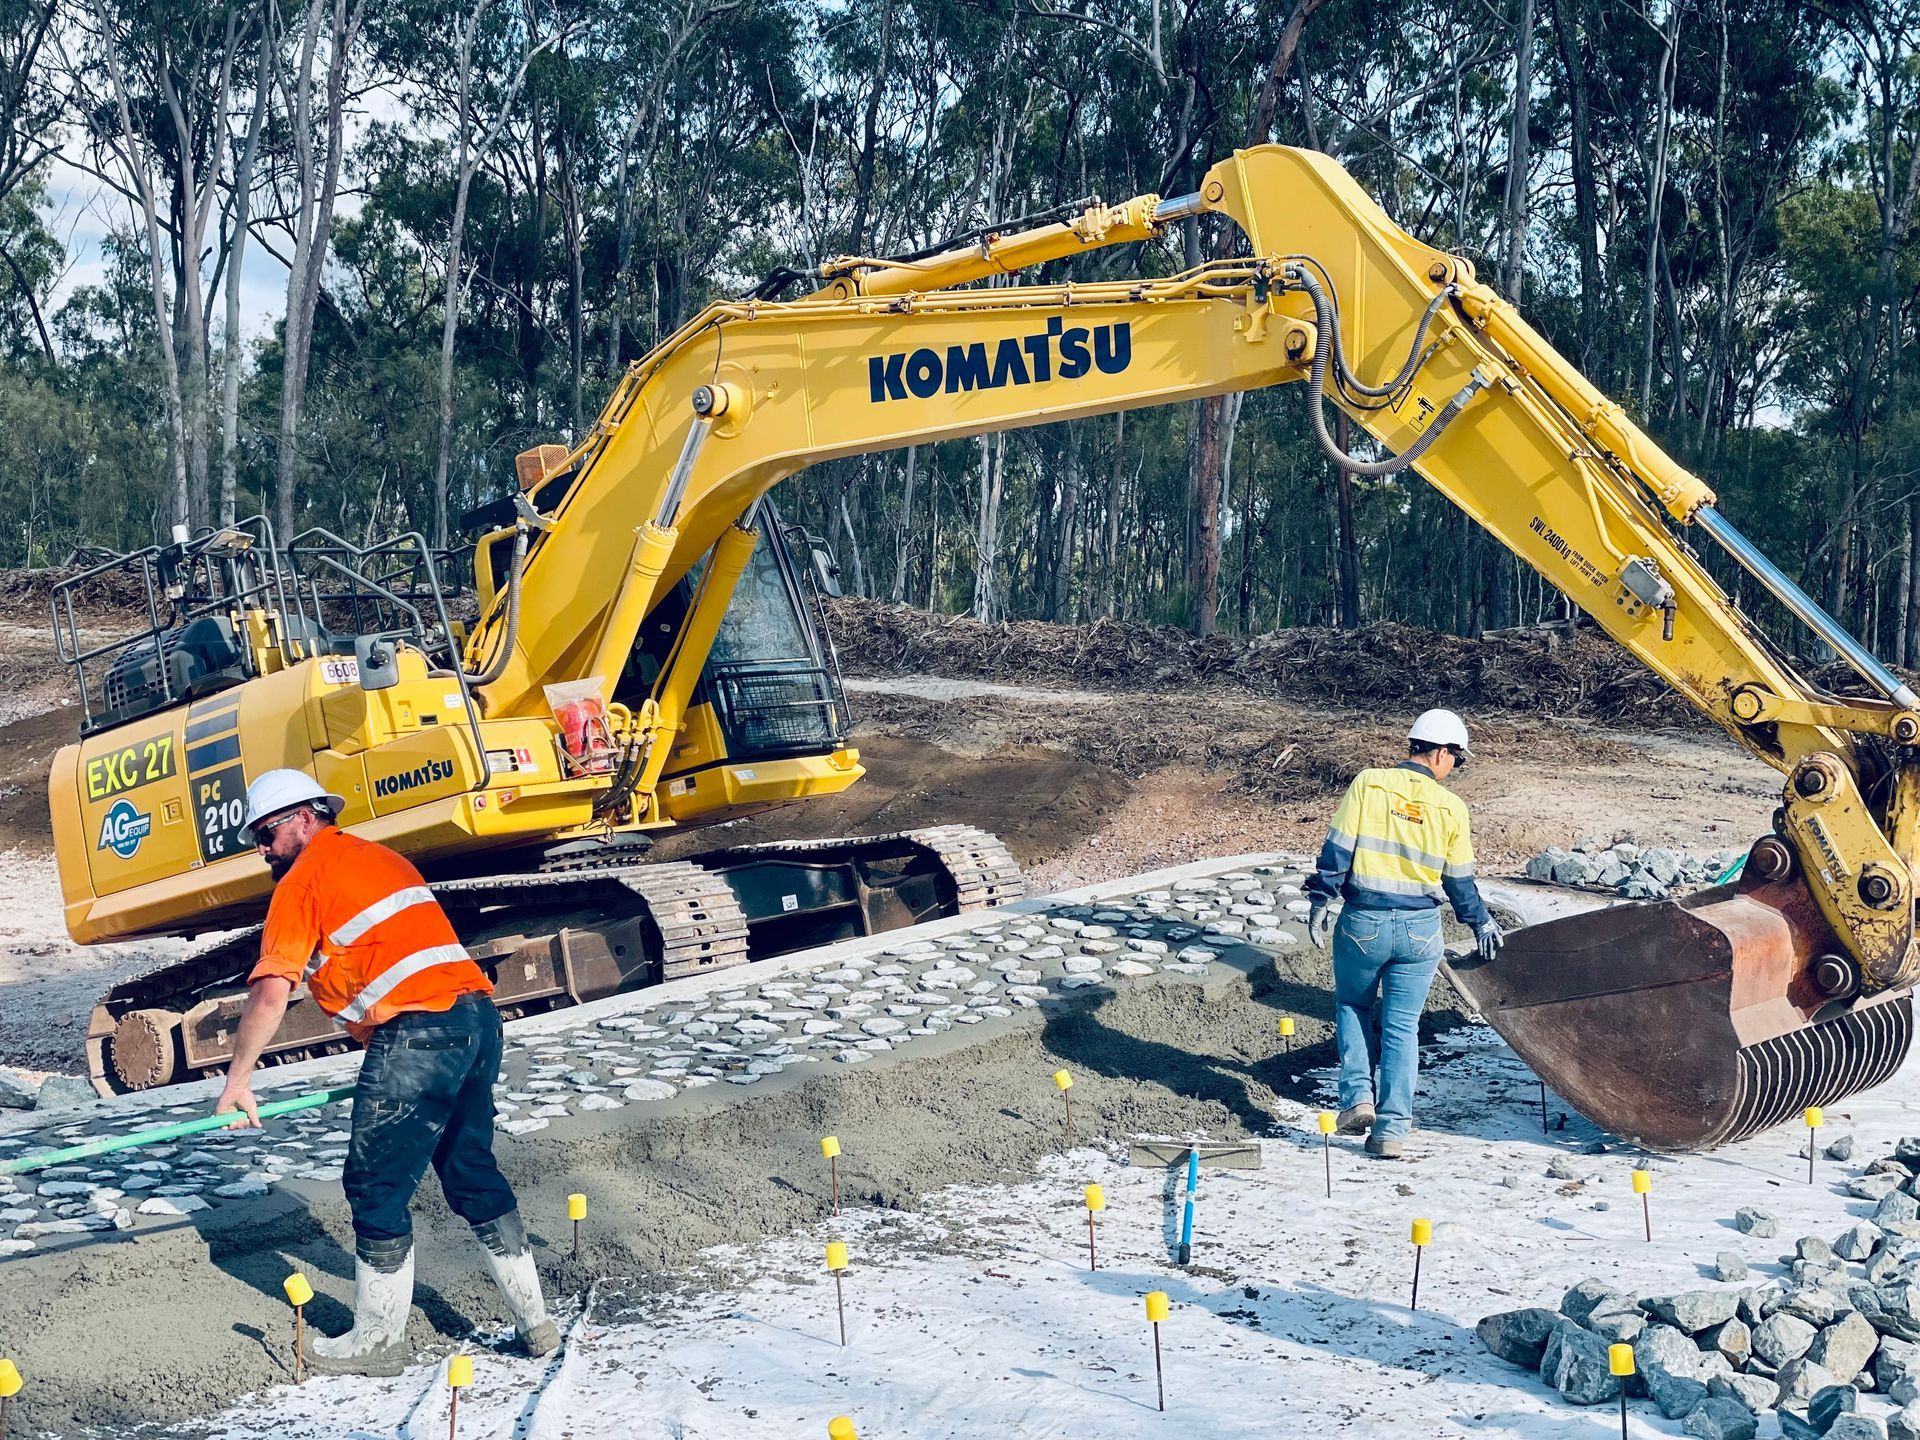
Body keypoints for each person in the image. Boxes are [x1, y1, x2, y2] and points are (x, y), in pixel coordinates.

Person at [213, 768, 558, 1376]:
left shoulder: (303, 880)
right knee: (471, 1168)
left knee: (375, 1185)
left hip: (418, 1033)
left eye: (265, 834)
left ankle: (377, 1341)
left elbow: (271, 991)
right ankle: (535, 1322)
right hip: (477, 1021)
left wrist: (238, 1080)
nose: (261, 849)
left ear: (303, 817)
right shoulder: (381, 859)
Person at [1304, 709, 1503, 1160]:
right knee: (1401, 1026)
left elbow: (1337, 849)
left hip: (1363, 924)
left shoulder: (1369, 784)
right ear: (1440, 752)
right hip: (1420, 933)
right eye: (1458, 758)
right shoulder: (1451, 808)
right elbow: (1459, 882)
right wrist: (1480, 922)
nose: (1456, 767)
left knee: (1353, 1005)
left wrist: (1321, 899)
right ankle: (1391, 1131)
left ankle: (1357, 1099)